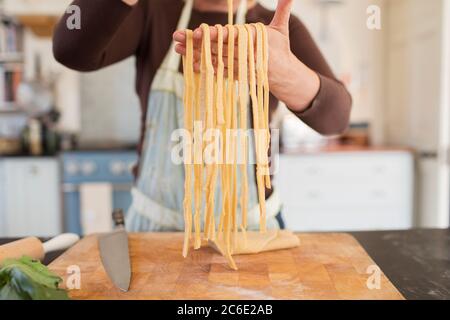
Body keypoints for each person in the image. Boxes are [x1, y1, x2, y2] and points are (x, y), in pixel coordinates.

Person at [53, 0, 352, 232]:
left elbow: (336, 118)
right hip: (154, 229)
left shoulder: (273, 28)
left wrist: (286, 75)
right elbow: (71, 49)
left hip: (249, 228)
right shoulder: (153, 12)